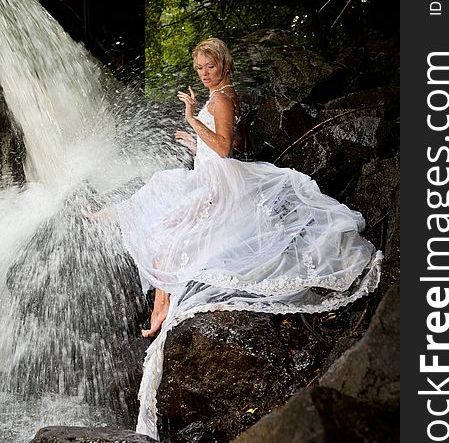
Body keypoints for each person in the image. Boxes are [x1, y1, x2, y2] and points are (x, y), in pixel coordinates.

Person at [86, 37, 382, 341]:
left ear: (224, 64)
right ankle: (143, 266)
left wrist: (192, 120)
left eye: (210, 66)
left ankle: (161, 307)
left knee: (168, 234)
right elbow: (237, 143)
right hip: (212, 173)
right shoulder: (225, 95)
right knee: (164, 190)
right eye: (199, 67)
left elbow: (226, 148)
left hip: (217, 182)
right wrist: (197, 143)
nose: (203, 73)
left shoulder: (221, 99)